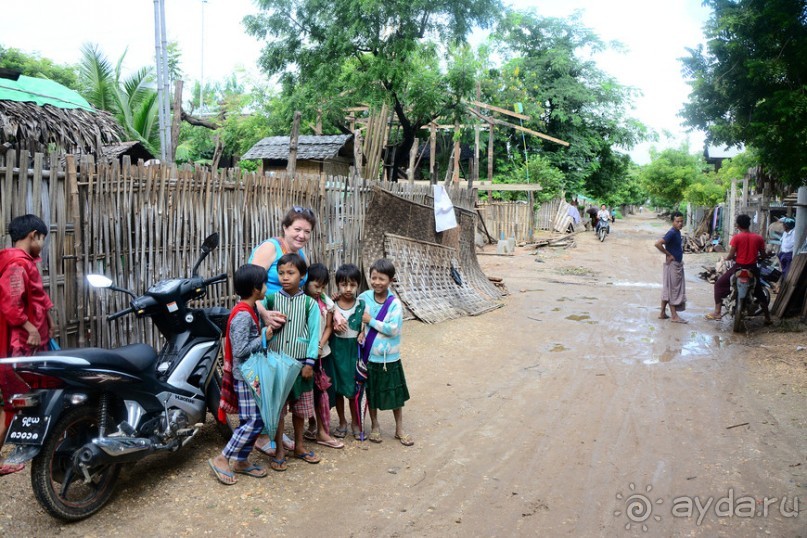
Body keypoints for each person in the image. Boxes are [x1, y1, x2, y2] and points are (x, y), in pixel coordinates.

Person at [0, 214, 56, 476]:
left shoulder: (25, 262)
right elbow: (11, 304)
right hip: (18, 348)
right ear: (34, 235)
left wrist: (49, 320)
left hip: (30, 346)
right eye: (42, 239)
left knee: (38, 395)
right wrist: (31, 327)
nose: (42, 244)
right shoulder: (16, 264)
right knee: (14, 405)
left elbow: (37, 296)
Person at [209, 264, 272, 485]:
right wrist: (264, 337)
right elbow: (240, 350)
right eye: (264, 283)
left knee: (255, 420)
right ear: (256, 288)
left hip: (250, 375)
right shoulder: (243, 316)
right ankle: (223, 458)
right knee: (253, 420)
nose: (266, 287)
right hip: (245, 376)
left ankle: (241, 460)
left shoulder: (249, 309)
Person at [262, 253, 322, 468]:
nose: (285, 277)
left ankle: (299, 446)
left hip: (300, 365)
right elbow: (258, 321)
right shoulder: (270, 300)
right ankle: (279, 448)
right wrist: (266, 330)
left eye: (290, 273)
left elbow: (314, 335)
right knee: (278, 410)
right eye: (281, 273)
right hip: (276, 364)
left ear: (302, 276)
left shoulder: (309, 304)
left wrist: (310, 363)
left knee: (300, 409)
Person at [359, 259, 413, 447]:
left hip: (389, 359)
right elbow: (357, 317)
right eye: (373, 278)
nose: (377, 282)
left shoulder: (394, 304)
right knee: (372, 393)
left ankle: (399, 428)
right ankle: (375, 425)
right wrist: (360, 330)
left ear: (390, 280)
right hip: (370, 356)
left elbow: (393, 329)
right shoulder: (364, 297)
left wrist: (370, 321)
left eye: (381, 279)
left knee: (395, 394)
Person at [302, 263, 343, 449]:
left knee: (321, 392)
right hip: (304, 355)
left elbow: (328, 327)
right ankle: (312, 424)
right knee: (307, 392)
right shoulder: (301, 302)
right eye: (316, 285)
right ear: (306, 282)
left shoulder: (326, 303)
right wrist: (311, 348)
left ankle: (322, 430)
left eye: (323, 287)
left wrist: (320, 345)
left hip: (322, 353)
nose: (319, 290)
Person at [706, 214, 772, 324]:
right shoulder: (758, 238)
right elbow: (763, 255)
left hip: (738, 267)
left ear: (738, 226)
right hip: (752, 268)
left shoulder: (736, 238)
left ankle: (717, 312)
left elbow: (731, 255)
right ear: (749, 224)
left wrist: (727, 258)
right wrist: (763, 256)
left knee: (719, 285)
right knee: (759, 292)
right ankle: (767, 317)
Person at [329, 264, 365, 439]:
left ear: (358, 285)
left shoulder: (362, 305)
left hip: (353, 353)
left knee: (353, 390)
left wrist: (363, 332)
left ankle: (355, 422)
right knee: (337, 389)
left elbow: (365, 325)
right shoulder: (332, 305)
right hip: (336, 352)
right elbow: (326, 325)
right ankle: (342, 422)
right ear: (337, 285)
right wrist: (333, 325)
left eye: (352, 284)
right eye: (344, 285)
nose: (348, 289)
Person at [655, 211, 687, 323]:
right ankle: (674, 316)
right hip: (673, 265)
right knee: (674, 289)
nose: (680, 223)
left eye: (681, 221)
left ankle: (662, 313)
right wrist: (668, 254)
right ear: (672, 221)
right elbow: (658, 243)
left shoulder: (677, 232)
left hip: (675, 264)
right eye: (677, 221)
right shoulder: (672, 233)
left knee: (668, 288)